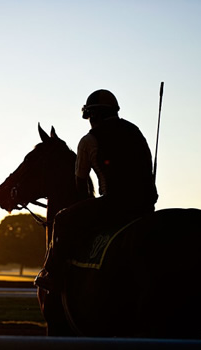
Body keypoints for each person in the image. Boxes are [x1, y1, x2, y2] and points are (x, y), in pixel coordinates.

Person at [35, 89, 159, 291]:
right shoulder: (135, 131)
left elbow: (80, 183)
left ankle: (52, 273)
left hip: (115, 206)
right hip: (146, 205)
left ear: (92, 115)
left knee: (62, 219)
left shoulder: (89, 140)